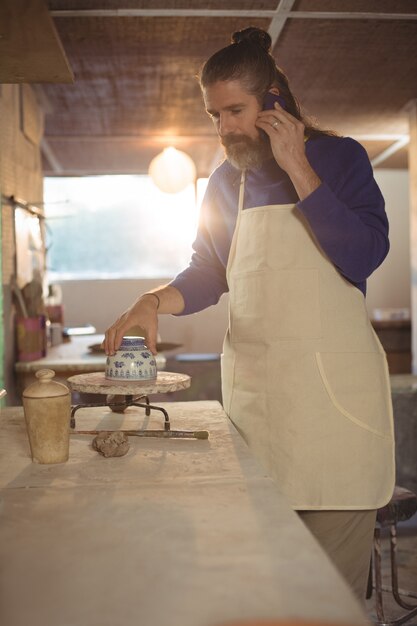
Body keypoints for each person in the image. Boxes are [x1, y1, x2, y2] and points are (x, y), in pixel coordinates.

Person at [104, 27, 395, 601]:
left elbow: (364, 254)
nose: (223, 129)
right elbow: (209, 273)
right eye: (214, 114)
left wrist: (298, 166)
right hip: (259, 418)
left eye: (235, 110)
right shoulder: (222, 183)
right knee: (263, 597)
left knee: (326, 603)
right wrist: (152, 300)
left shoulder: (339, 159)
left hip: (335, 418)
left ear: (275, 102)